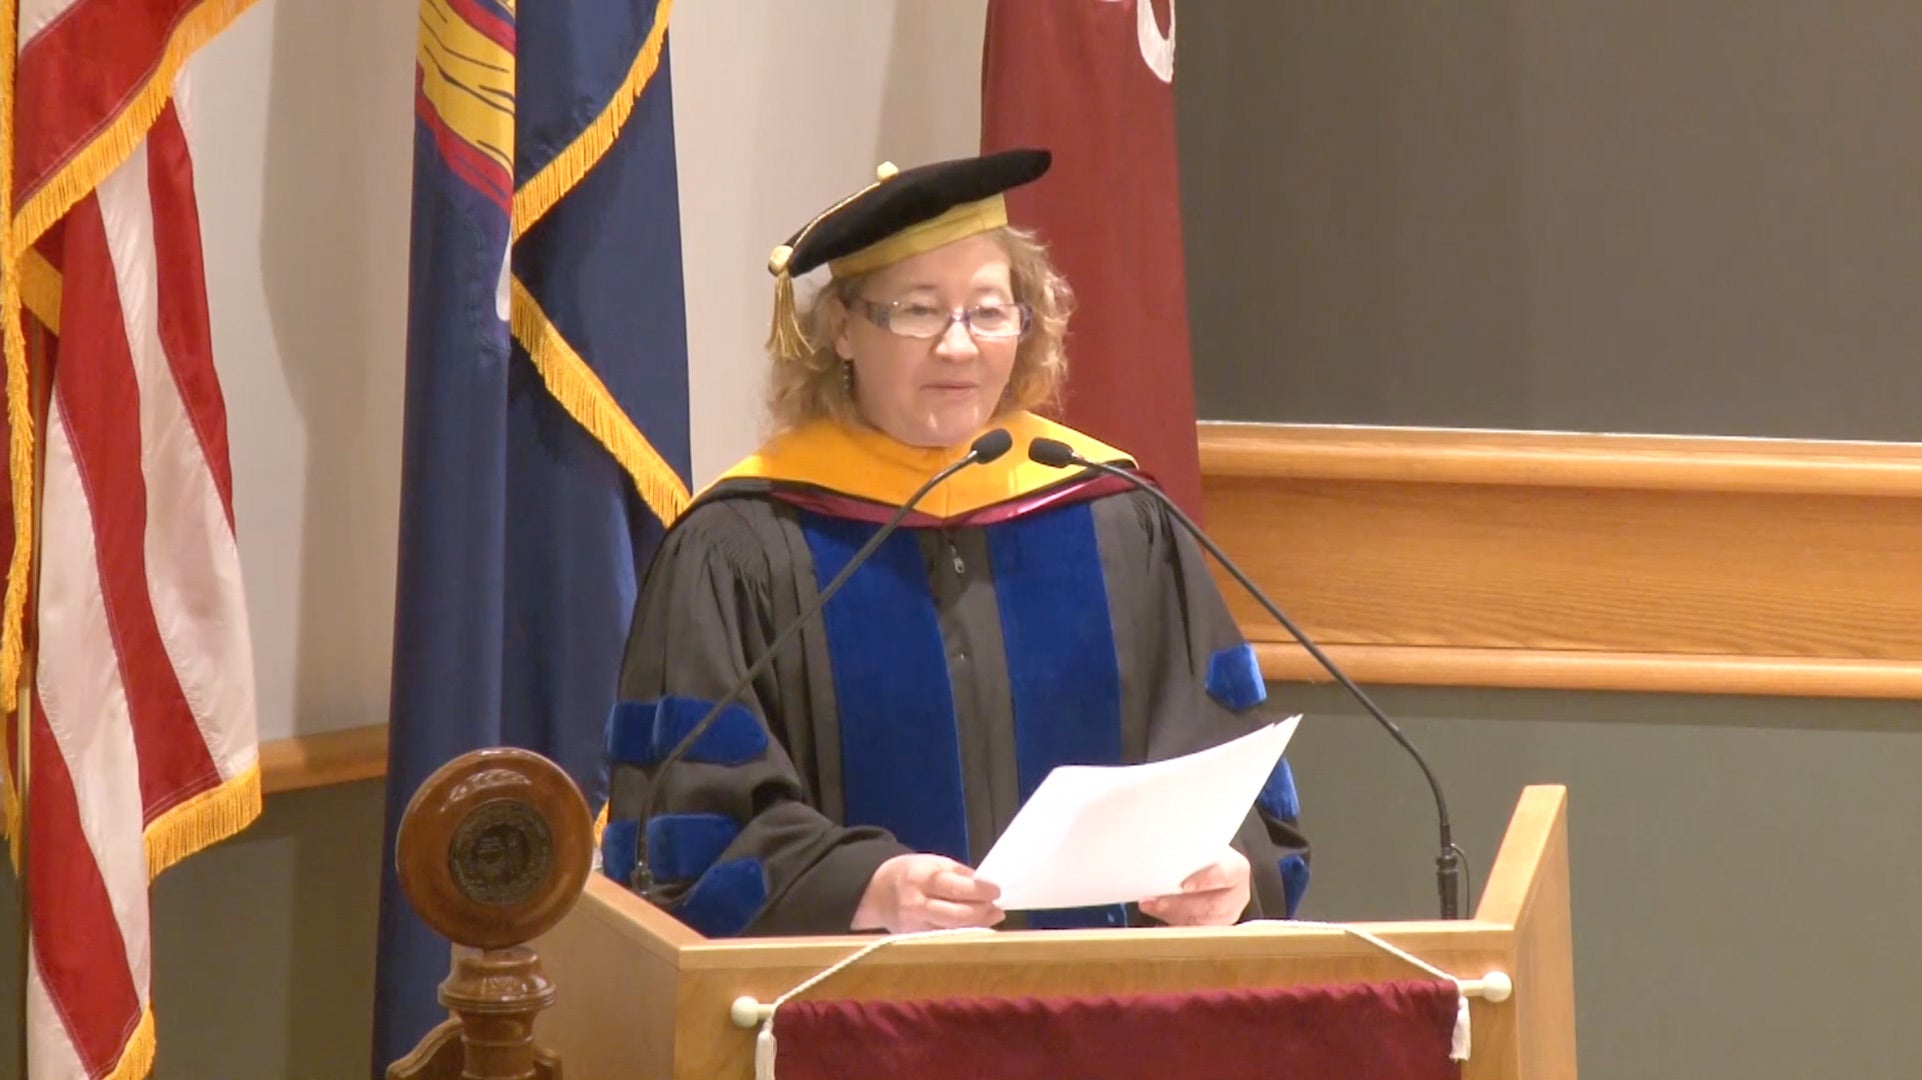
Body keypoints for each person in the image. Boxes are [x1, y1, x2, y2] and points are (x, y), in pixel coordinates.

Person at [598, 148, 1308, 937]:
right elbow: (683, 827)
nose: (959, 346)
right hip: (850, 1026)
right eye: (917, 310)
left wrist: (1232, 871)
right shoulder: (740, 546)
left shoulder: (1115, 515)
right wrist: (862, 886)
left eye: (989, 309)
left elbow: (1230, 771)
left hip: (1107, 1019)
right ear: (841, 330)